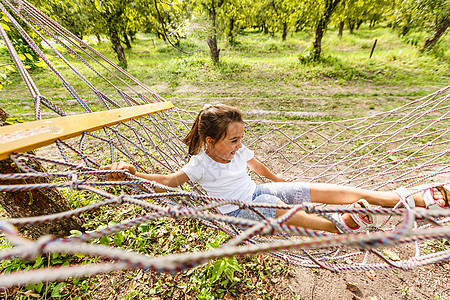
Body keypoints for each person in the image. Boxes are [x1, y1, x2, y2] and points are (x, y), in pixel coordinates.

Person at [100, 104, 449, 234]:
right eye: (232, 140)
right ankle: (335, 226)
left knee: (321, 188)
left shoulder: (237, 150)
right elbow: (168, 181)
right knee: (277, 208)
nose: (238, 145)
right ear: (209, 141)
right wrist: (135, 174)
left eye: (240, 138)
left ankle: (405, 198)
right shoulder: (200, 164)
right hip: (239, 212)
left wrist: (278, 178)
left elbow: (255, 162)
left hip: (257, 192)